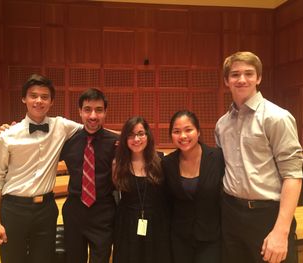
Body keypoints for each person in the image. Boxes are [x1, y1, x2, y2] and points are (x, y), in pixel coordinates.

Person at [215, 51, 303, 263]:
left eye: (249, 73)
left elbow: (293, 175)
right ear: (227, 81)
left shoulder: (277, 117)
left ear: (259, 78)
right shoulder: (222, 124)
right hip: (231, 215)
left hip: (268, 216)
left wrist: (281, 232)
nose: (242, 79)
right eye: (235, 74)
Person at [0, 74, 83, 263]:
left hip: (46, 210)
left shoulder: (61, 126)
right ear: (24, 98)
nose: (39, 101)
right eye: (33, 95)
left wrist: (129, 135)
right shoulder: (6, 136)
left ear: (51, 101)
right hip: (14, 209)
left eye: (44, 96)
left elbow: (94, 130)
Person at [60, 88, 119, 263]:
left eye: (99, 110)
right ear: (80, 111)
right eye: (87, 109)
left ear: (105, 112)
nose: (93, 116)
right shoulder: (68, 142)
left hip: (103, 212)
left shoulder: (115, 143)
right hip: (74, 211)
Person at [162, 110, 225, 263]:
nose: (183, 136)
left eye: (188, 130)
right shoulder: (167, 163)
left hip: (211, 237)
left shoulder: (217, 158)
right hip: (180, 238)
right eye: (176, 131)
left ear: (198, 132)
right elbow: (167, 202)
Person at [112, 116, 172, 263]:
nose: (136, 139)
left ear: (147, 135)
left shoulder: (161, 160)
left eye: (140, 133)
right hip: (127, 223)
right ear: (125, 138)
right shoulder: (118, 164)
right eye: (131, 135)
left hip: (157, 222)